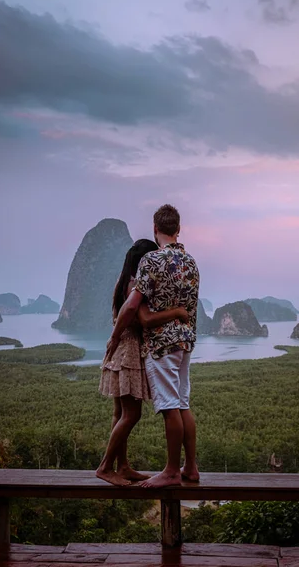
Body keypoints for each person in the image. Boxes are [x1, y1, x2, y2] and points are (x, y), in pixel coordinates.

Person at [106, 205, 200, 488]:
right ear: (179, 229)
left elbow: (133, 306)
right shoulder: (191, 263)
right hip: (185, 342)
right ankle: (190, 467)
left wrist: (113, 337)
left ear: (155, 228)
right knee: (183, 404)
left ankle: (171, 471)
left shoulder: (151, 261)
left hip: (162, 345)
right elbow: (190, 308)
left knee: (170, 407)